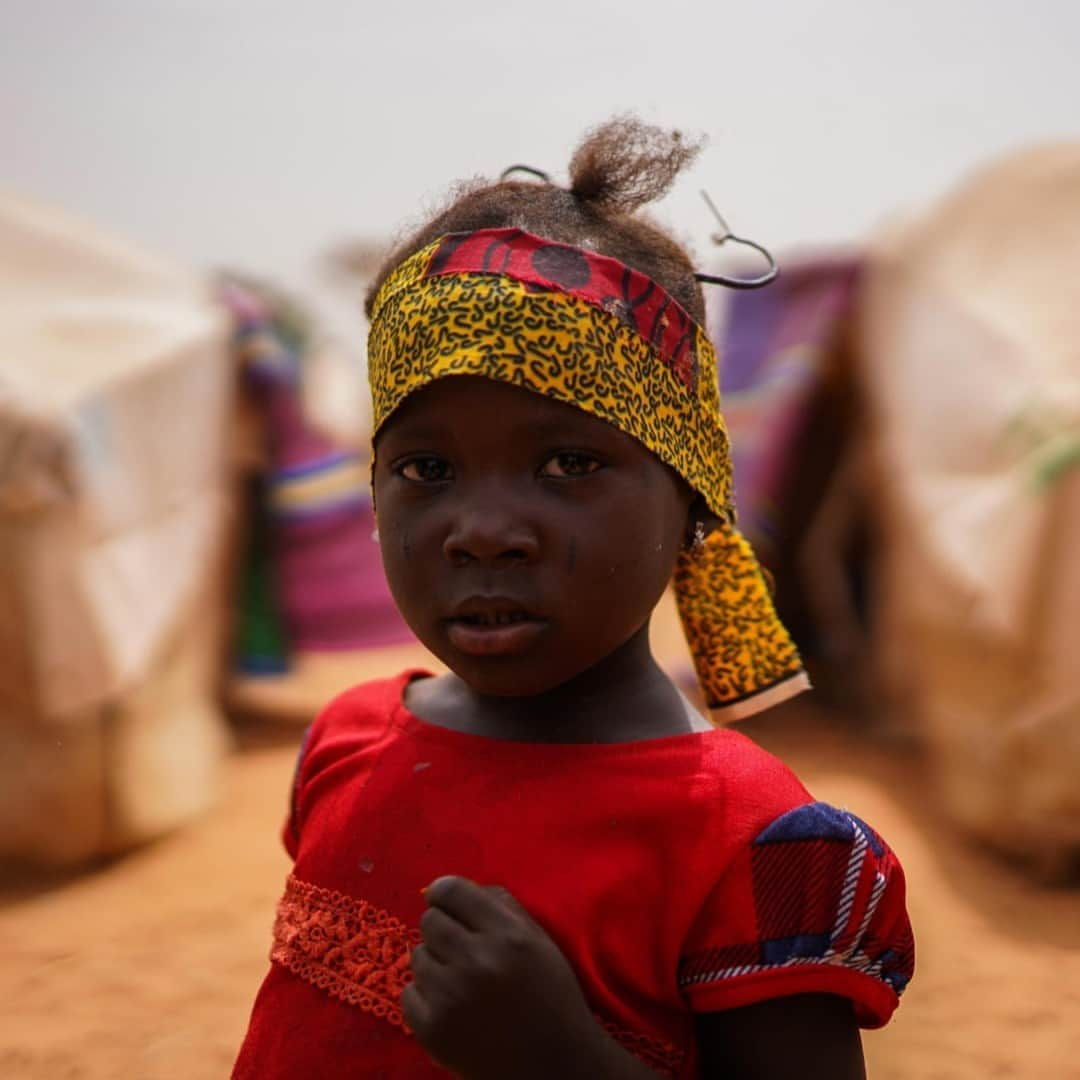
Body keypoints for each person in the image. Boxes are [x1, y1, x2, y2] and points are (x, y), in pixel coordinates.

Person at [233, 117, 914, 1079]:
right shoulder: (347, 743)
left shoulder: (749, 843)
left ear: (689, 494)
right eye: (426, 467)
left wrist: (560, 1058)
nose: (481, 529)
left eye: (566, 461)